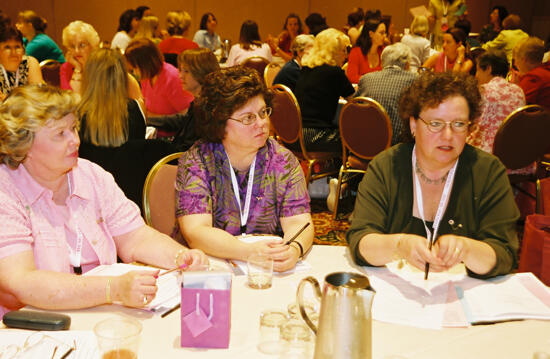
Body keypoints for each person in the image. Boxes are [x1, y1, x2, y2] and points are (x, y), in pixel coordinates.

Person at [0, 85, 208, 319]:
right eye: (61, 134)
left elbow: (135, 237)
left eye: (74, 128)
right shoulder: (5, 192)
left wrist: (180, 258)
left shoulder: (90, 175)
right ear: (24, 145)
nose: (75, 140)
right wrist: (112, 289)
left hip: (100, 314)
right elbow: (21, 282)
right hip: (32, 326)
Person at [347, 71, 519, 279]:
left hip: (460, 299)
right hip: (396, 297)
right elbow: (360, 240)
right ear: (413, 124)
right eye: (436, 124)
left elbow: (505, 254)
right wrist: (400, 245)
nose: (448, 136)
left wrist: (466, 248)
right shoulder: (386, 167)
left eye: (458, 124)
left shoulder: (488, 172)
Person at [175, 66, 313, 272]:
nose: (262, 123)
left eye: (263, 112)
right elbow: (196, 231)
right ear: (220, 123)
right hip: (211, 269)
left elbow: (300, 222)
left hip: (267, 271)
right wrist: (248, 252)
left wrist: (292, 249)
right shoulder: (198, 162)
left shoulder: (283, 161)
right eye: (248, 118)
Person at [294, 28, 354, 152]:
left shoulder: (307, 68)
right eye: (343, 50)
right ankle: (346, 171)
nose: (346, 56)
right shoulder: (335, 72)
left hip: (294, 135)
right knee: (356, 138)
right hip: (314, 136)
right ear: (333, 51)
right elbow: (354, 103)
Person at [148, 48, 220, 152]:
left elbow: (190, 147)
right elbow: (181, 120)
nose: (180, 76)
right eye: (180, 70)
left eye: (186, 71)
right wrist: (148, 120)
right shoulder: (201, 99)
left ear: (201, 72)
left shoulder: (208, 106)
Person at [60, 20, 143, 104]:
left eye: (82, 45)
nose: (76, 51)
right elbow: (72, 103)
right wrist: (78, 70)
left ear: (93, 46)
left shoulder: (104, 65)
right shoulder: (66, 68)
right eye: (72, 46)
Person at [355, 43, 418, 145]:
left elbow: (354, 107)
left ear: (382, 62)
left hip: (363, 144)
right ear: (406, 65)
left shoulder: (365, 78)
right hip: (396, 146)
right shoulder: (414, 80)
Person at [467, 51, 525, 152]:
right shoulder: (519, 91)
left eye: (478, 70)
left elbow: (472, 127)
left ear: (488, 69)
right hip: (517, 153)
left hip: (489, 153)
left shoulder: (483, 91)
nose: (476, 75)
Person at [124, 38, 193, 121]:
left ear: (146, 63)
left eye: (135, 68)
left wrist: (151, 117)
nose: (135, 73)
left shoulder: (172, 78)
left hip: (169, 132)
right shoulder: (147, 77)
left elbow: (186, 114)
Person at [0, 26, 43, 101]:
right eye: (7, 47)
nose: (13, 52)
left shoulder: (30, 63)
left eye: (17, 47)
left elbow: (38, 96)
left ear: (23, 49)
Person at [513, 37, 550, 110]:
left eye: (515, 60)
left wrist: (515, 88)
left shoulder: (534, 78)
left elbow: (515, 103)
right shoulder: (545, 70)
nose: (515, 64)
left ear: (524, 60)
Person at [346, 19, 386, 83]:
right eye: (381, 33)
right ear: (371, 34)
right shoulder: (356, 52)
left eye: (385, 33)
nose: (385, 36)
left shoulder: (384, 52)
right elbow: (352, 77)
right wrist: (374, 81)